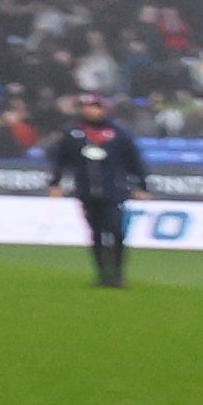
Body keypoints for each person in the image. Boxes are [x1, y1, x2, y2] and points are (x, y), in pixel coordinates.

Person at [48, 97, 151, 287]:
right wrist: (56, 183)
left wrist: (141, 186)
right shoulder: (73, 134)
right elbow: (61, 160)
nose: (90, 111)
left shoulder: (119, 133)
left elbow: (134, 160)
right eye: (87, 107)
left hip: (114, 190)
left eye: (95, 107)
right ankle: (103, 274)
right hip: (87, 191)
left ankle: (118, 273)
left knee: (116, 231)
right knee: (95, 233)